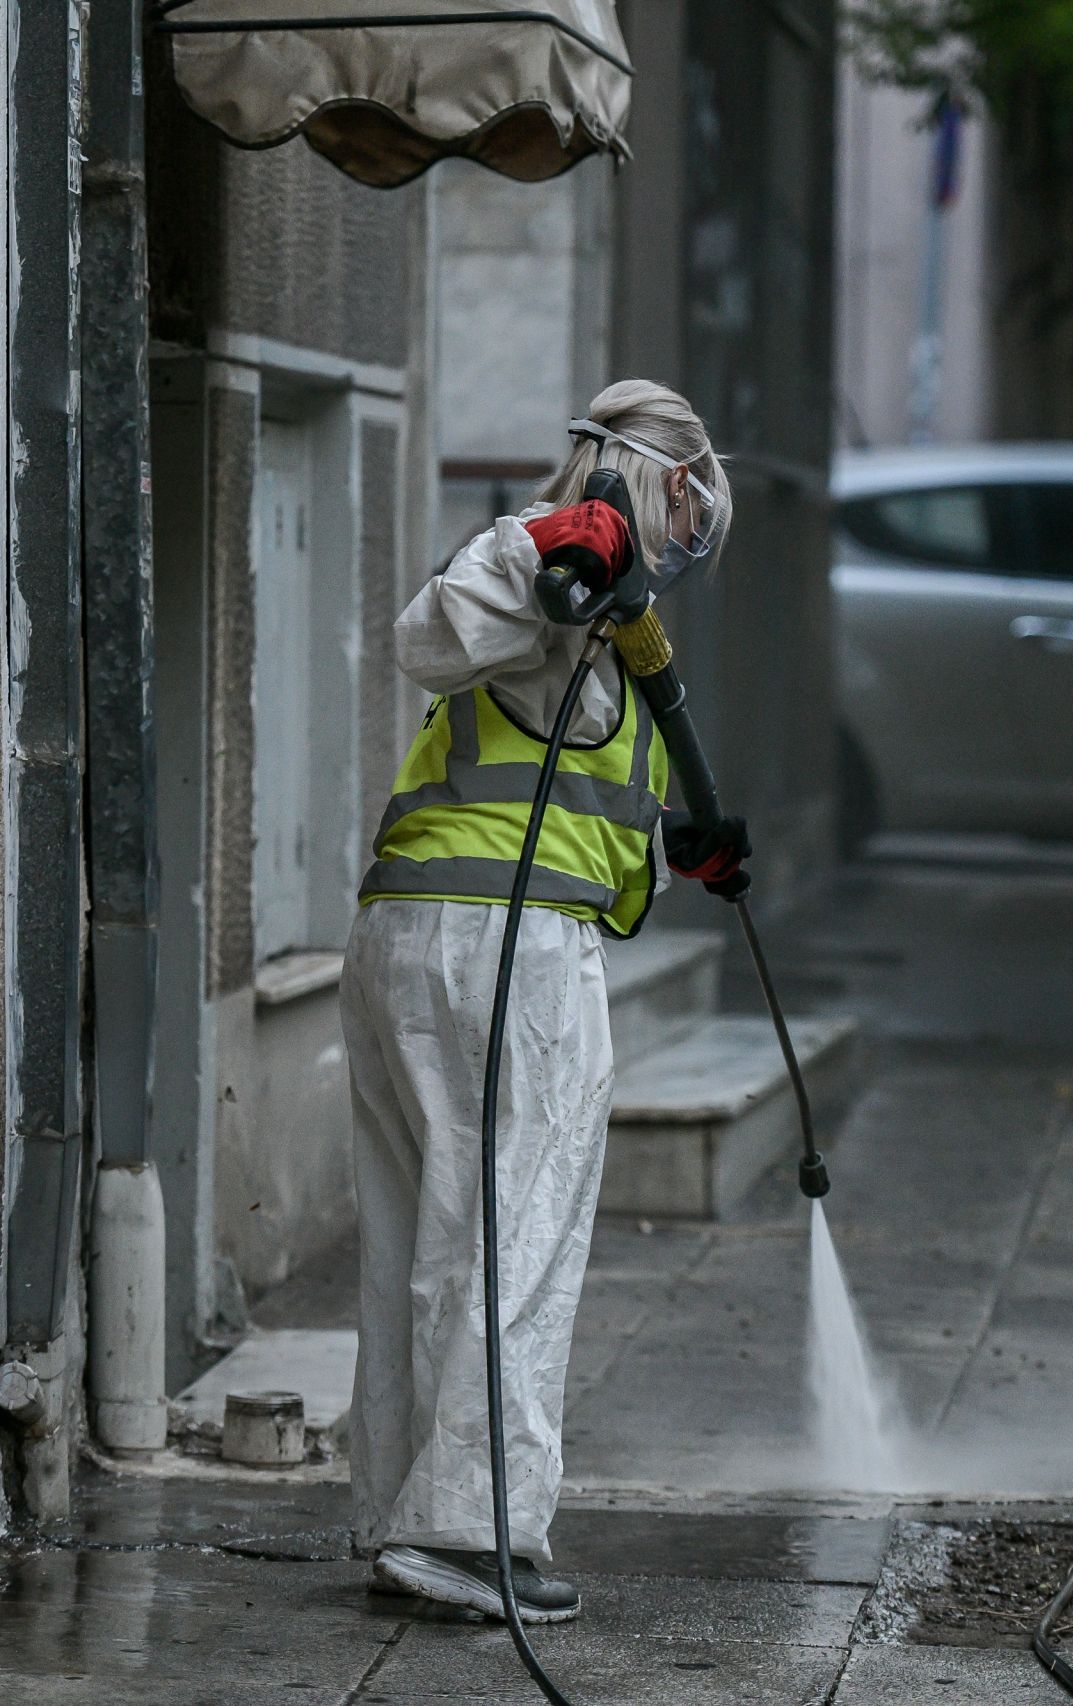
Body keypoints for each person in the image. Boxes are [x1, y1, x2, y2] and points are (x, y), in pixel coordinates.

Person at [344, 380, 748, 1622]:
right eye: (688, 508)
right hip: (507, 955)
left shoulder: (600, 623)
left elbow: (564, 788)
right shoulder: (549, 563)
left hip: (413, 938)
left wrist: (679, 845)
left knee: (429, 1238)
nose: (686, 541)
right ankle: (472, 1532)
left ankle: (406, 1518)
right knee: (519, 1239)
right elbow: (423, 634)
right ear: (658, 480)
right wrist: (537, 542)